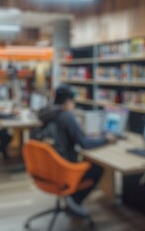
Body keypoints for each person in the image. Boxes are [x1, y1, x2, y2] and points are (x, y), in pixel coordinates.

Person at [37, 85, 117, 217]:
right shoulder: (66, 116)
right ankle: (74, 199)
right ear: (68, 102)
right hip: (64, 168)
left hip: (50, 167)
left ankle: (72, 198)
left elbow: (67, 135)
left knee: (89, 161)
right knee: (98, 168)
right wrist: (106, 139)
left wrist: (86, 134)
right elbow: (84, 144)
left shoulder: (47, 112)